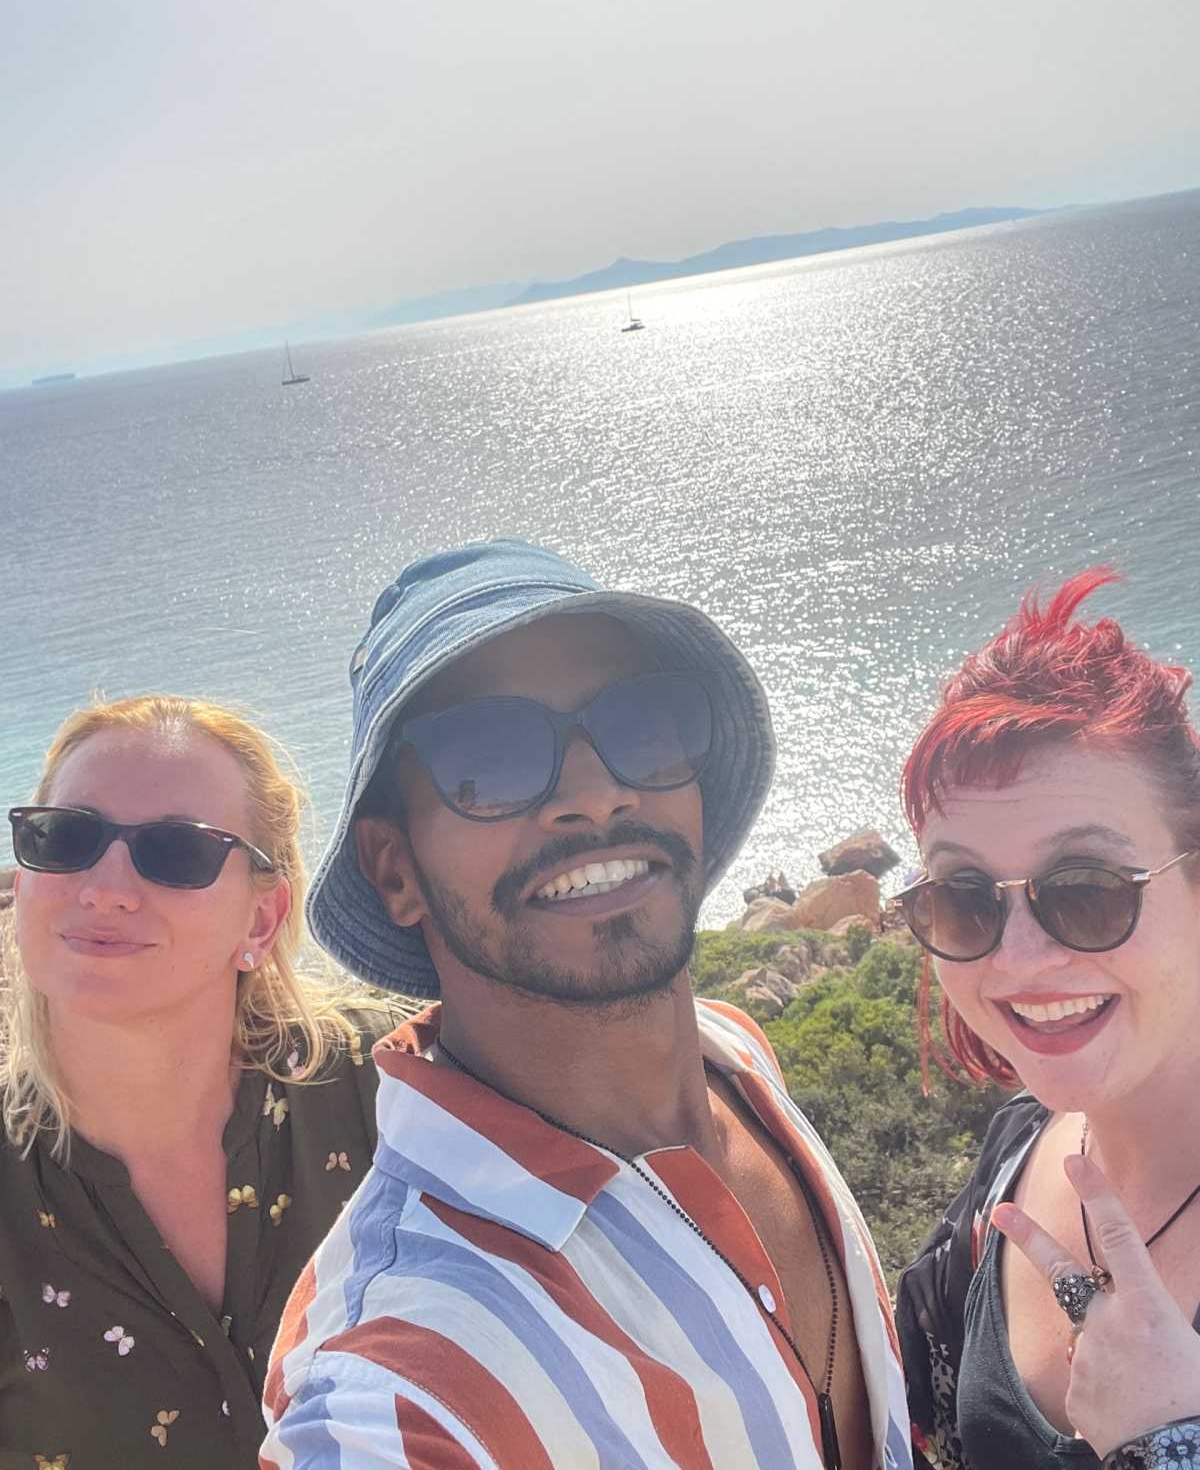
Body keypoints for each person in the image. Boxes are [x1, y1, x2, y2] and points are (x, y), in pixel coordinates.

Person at [260, 538, 912, 1470]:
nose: (597, 795)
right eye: (487, 758)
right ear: (394, 869)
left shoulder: (735, 1055)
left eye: (641, 725)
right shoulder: (394, 1383)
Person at [0, 695, 411, 1468]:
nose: (106, 887)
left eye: (177, 851)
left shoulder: (396, 1086)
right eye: (66, 838)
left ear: (260, 921)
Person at [894, 570, 1200, 1470]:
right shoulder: (1014, 1157)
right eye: (964, 896)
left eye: (1088, 888)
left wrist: (1169, 1446)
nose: (1020, 961)